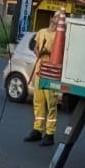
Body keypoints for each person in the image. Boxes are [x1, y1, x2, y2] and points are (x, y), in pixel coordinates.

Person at [22, 17, 61, 147]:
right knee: (38, 102)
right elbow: (35, 47)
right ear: (51, 20)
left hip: (51, 72)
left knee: (51, 103)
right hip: (39, 70)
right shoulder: (42, 32)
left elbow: (59, 53)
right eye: (54, 20)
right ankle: (37, 130)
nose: (55, 23)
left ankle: (50, 134)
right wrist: (38, 51)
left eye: (58, 21)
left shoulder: (60, 35)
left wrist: (48, 51)